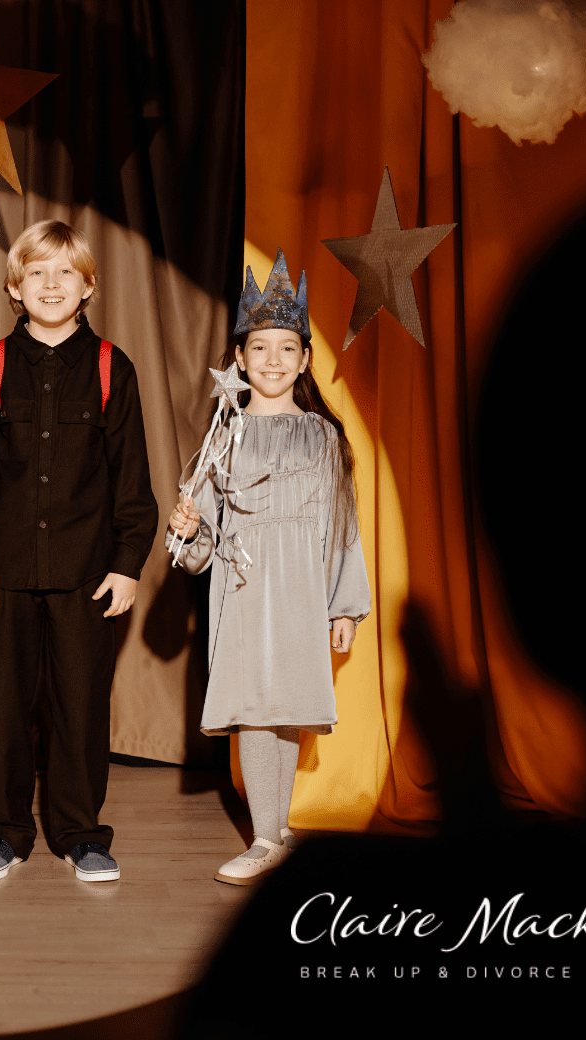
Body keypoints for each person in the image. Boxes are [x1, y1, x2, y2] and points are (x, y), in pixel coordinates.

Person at [0, 220, 159, 883]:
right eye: (36, 272)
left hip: (86, 575)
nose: (50, 284)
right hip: (3, 574)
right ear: (15, 287)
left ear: (88, 286)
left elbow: (132, 478)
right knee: (3, 707)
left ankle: (81, 835)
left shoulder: (110, 368)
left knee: (79, 706)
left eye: (64, 272)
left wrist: (128, 564)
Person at [166, 248, 370, 885]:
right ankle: (263, 839)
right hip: (246, 588)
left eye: (287, 348)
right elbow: (201, 549)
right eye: (260, 348)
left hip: (304, 589)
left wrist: (344, 604)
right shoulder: (223, 437)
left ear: (306, 359)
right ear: (240, 359)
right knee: (254, 707)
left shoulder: (324, 437)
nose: (274, 360)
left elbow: (343, 527)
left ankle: (276, 832)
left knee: (285, 707)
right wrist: (190, 532)